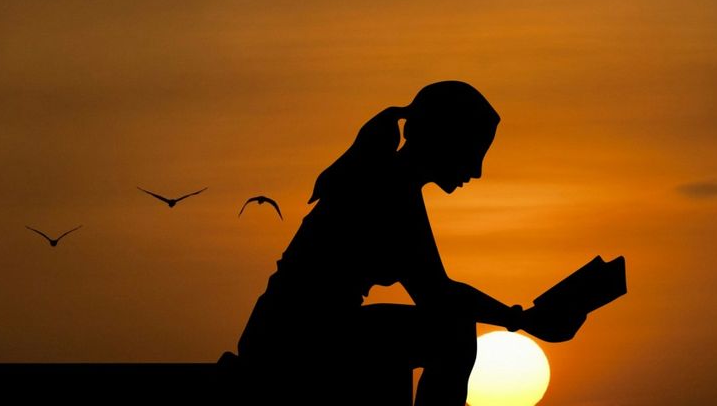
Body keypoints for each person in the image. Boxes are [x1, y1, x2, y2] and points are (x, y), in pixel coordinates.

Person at [235, 81, 585, 406]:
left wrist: (519, 319)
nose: (477, 170)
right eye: (473, 151)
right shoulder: (388, 190)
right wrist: (521, 320)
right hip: (293, 342)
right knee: (454, 332)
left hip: (294, 334)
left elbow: (438, 291)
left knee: (437, 330)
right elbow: (440, 296)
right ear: (445, 140)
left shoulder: (390, 183)